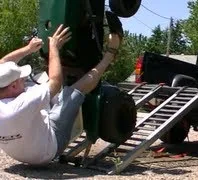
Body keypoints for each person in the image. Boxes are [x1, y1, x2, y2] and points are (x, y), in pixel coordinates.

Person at [0, 23, 122, 165]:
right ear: (13, 85)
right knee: (71, 93)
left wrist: (28, 49)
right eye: (21, 79)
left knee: (38, 81)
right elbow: (55, 82)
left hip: (20, 151)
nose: (24, 79)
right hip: (46, 151)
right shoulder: (21, 104)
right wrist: (54, 48)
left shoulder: (6, 90)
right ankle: (110, 55)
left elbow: (3, 63)